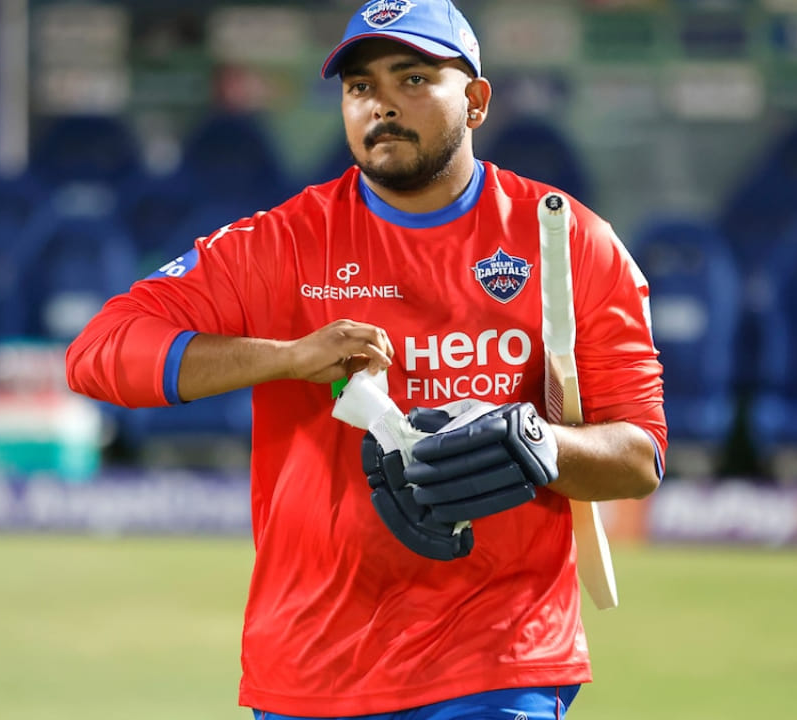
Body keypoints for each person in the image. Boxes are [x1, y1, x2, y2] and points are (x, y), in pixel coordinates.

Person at [65, 0, 667, 717]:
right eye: (360, 86)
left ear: (476, 101)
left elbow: (641, 456)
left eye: (413, 79)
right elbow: (97, 352)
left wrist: (535, 443)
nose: (381, 103)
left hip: (498, 660)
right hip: (314, 662)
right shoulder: (283, 242)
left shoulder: (568, 240)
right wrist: (286, 358)